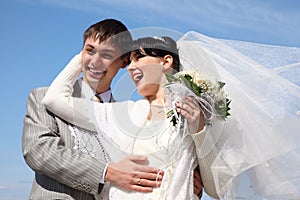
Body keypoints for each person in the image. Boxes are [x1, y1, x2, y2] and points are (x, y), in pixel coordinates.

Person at [42, 36, 218, 199]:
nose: (130, 67)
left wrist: (200, 130)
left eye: (138, 57)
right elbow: (54, 99)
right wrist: (84, 57)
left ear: (166, 61)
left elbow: (216, 189)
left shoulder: (195, 113)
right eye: (130, 61)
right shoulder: (123, 113)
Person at [22, 19, 165, 200]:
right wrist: (107, 172)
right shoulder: (42, 97)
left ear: (123, 62)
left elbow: (143, 164)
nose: (95, 61)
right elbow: (40, 152)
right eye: (90, 50)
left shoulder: (127, 116)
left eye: (106, 55)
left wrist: (182, 176)